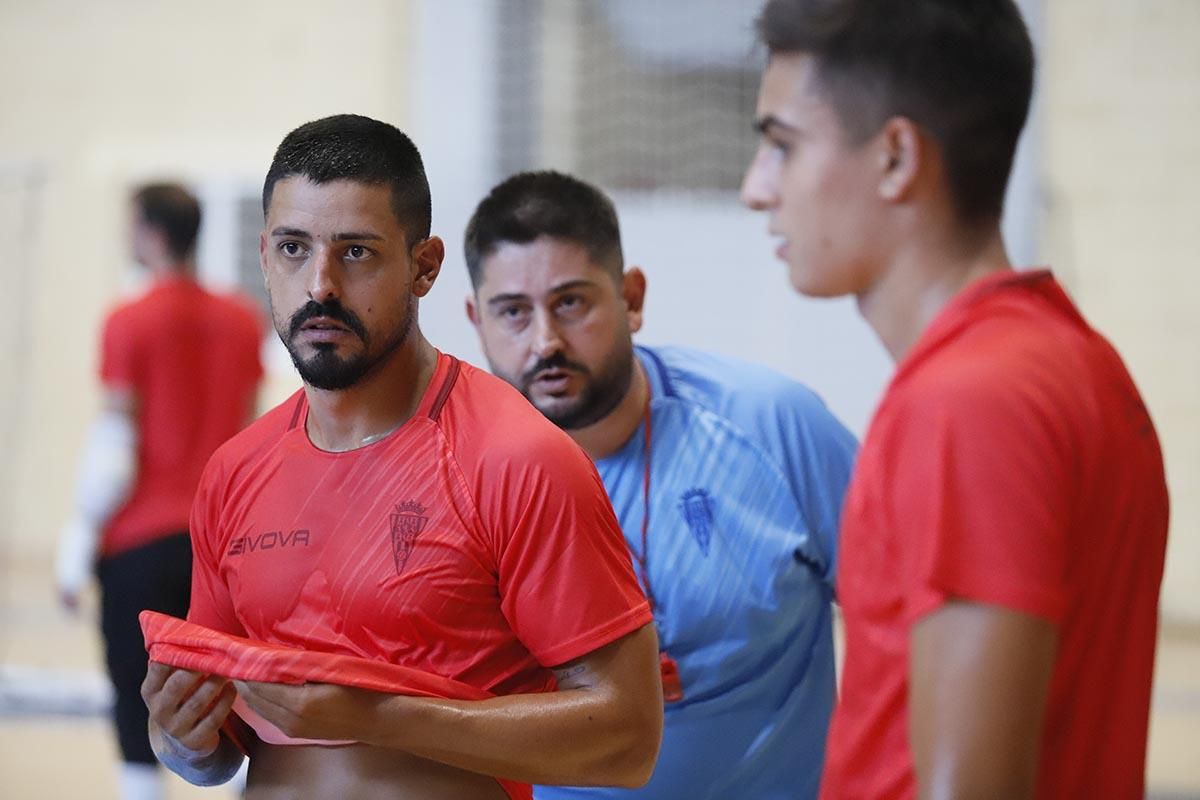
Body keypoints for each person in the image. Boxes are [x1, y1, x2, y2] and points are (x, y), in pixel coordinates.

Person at [139, 114, 663, 800]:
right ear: (265, 255)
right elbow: (220, 749)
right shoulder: (235, 472)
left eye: (355, 252)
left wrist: (379, 717)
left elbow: (626, 737)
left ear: (424, 266)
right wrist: (182, 735)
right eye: (294, 249)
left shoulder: (517, 458)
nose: (320, 284)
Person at [741, 2, 1171, 798]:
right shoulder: (1075, 363)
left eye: (781, 146)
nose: (755, 190)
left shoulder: (969, 401)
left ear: (897, 158)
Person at [463, 170, 858, 799]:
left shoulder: (773, 425)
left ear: (632, 297)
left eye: (571, 302)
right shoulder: (457, 481)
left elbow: (910, 624)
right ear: (476, 321)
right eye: (513, 312)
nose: (546, 341)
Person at [54, 182, 264, 800]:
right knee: (236, 688)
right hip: (222, 542)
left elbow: (115, 450)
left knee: (134, 689)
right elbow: (249, 441)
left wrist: (76, 541)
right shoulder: (241, 319)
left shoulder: (129, 319)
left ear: (148, 233)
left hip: (141, 541)